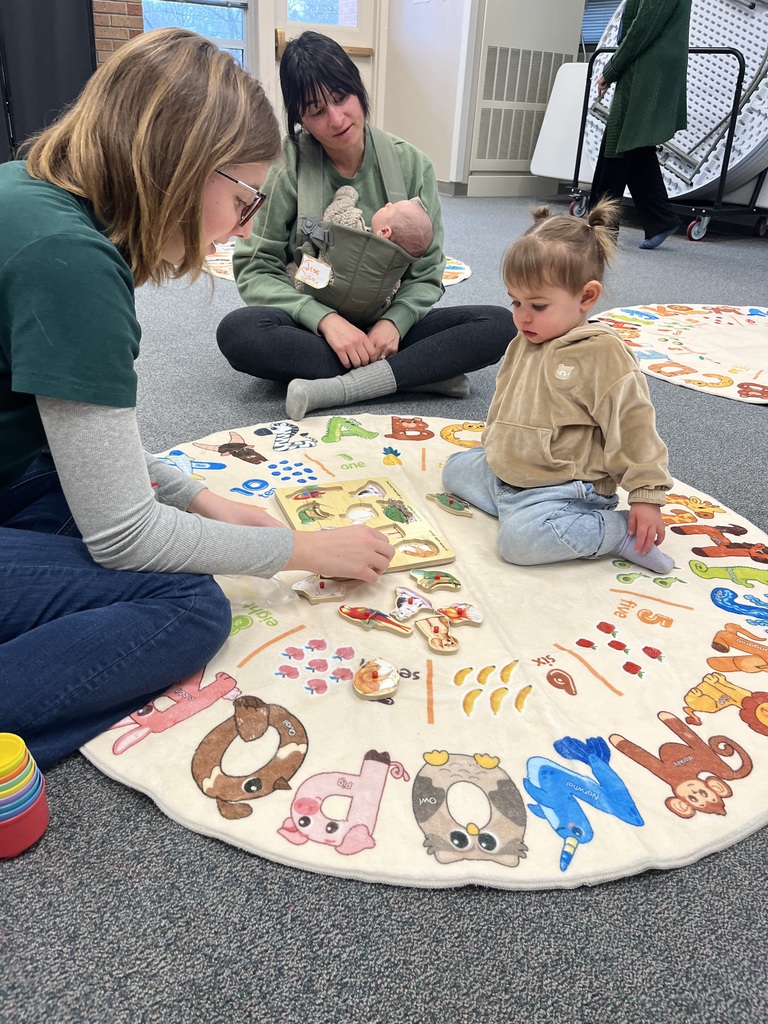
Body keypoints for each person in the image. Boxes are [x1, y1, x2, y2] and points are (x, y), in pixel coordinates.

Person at [0, 29, 394, 772]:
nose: (243, 227)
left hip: (15, 473)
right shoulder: (71, 263)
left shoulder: (29, 191)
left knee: (105, 523)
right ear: (182, 166)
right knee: (186, 608)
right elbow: (124, 536)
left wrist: (197, 498)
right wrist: (300, 549)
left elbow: (65, 438)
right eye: (244, 197)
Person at [216, 30, 515, 422]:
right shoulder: (284, 167)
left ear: (358, 89)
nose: (336, 119)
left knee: (499, 324)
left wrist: (395, 322)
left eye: (341, 98)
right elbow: (257, 268)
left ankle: (345, 382)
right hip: (314, 327)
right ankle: (413, 376)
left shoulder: (412, 166)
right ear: (299, 118)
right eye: (316, 111)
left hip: (388, 332)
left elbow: (427, 273)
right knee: (239, 332)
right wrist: (326, 320)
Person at [442, 199, 675, 574]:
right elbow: (505, 398)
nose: (521, 316)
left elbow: (633, 426)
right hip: (513, 472)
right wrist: (496, 445)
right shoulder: (524, 339)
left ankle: (614, 532)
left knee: (516, 543)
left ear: (586, 297)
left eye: (538, 305)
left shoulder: (602, 354)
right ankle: (518, 507)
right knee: (454, 470)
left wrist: (647, 497)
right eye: (515, 302)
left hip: (566, 486)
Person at [588, 0, 692, 249]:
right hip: (650, 62)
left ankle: (600, 228)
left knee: (620, 142)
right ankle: (658, 218)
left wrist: (611, 69)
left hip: (648, 65)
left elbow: (643, 26)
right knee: (632, 143)